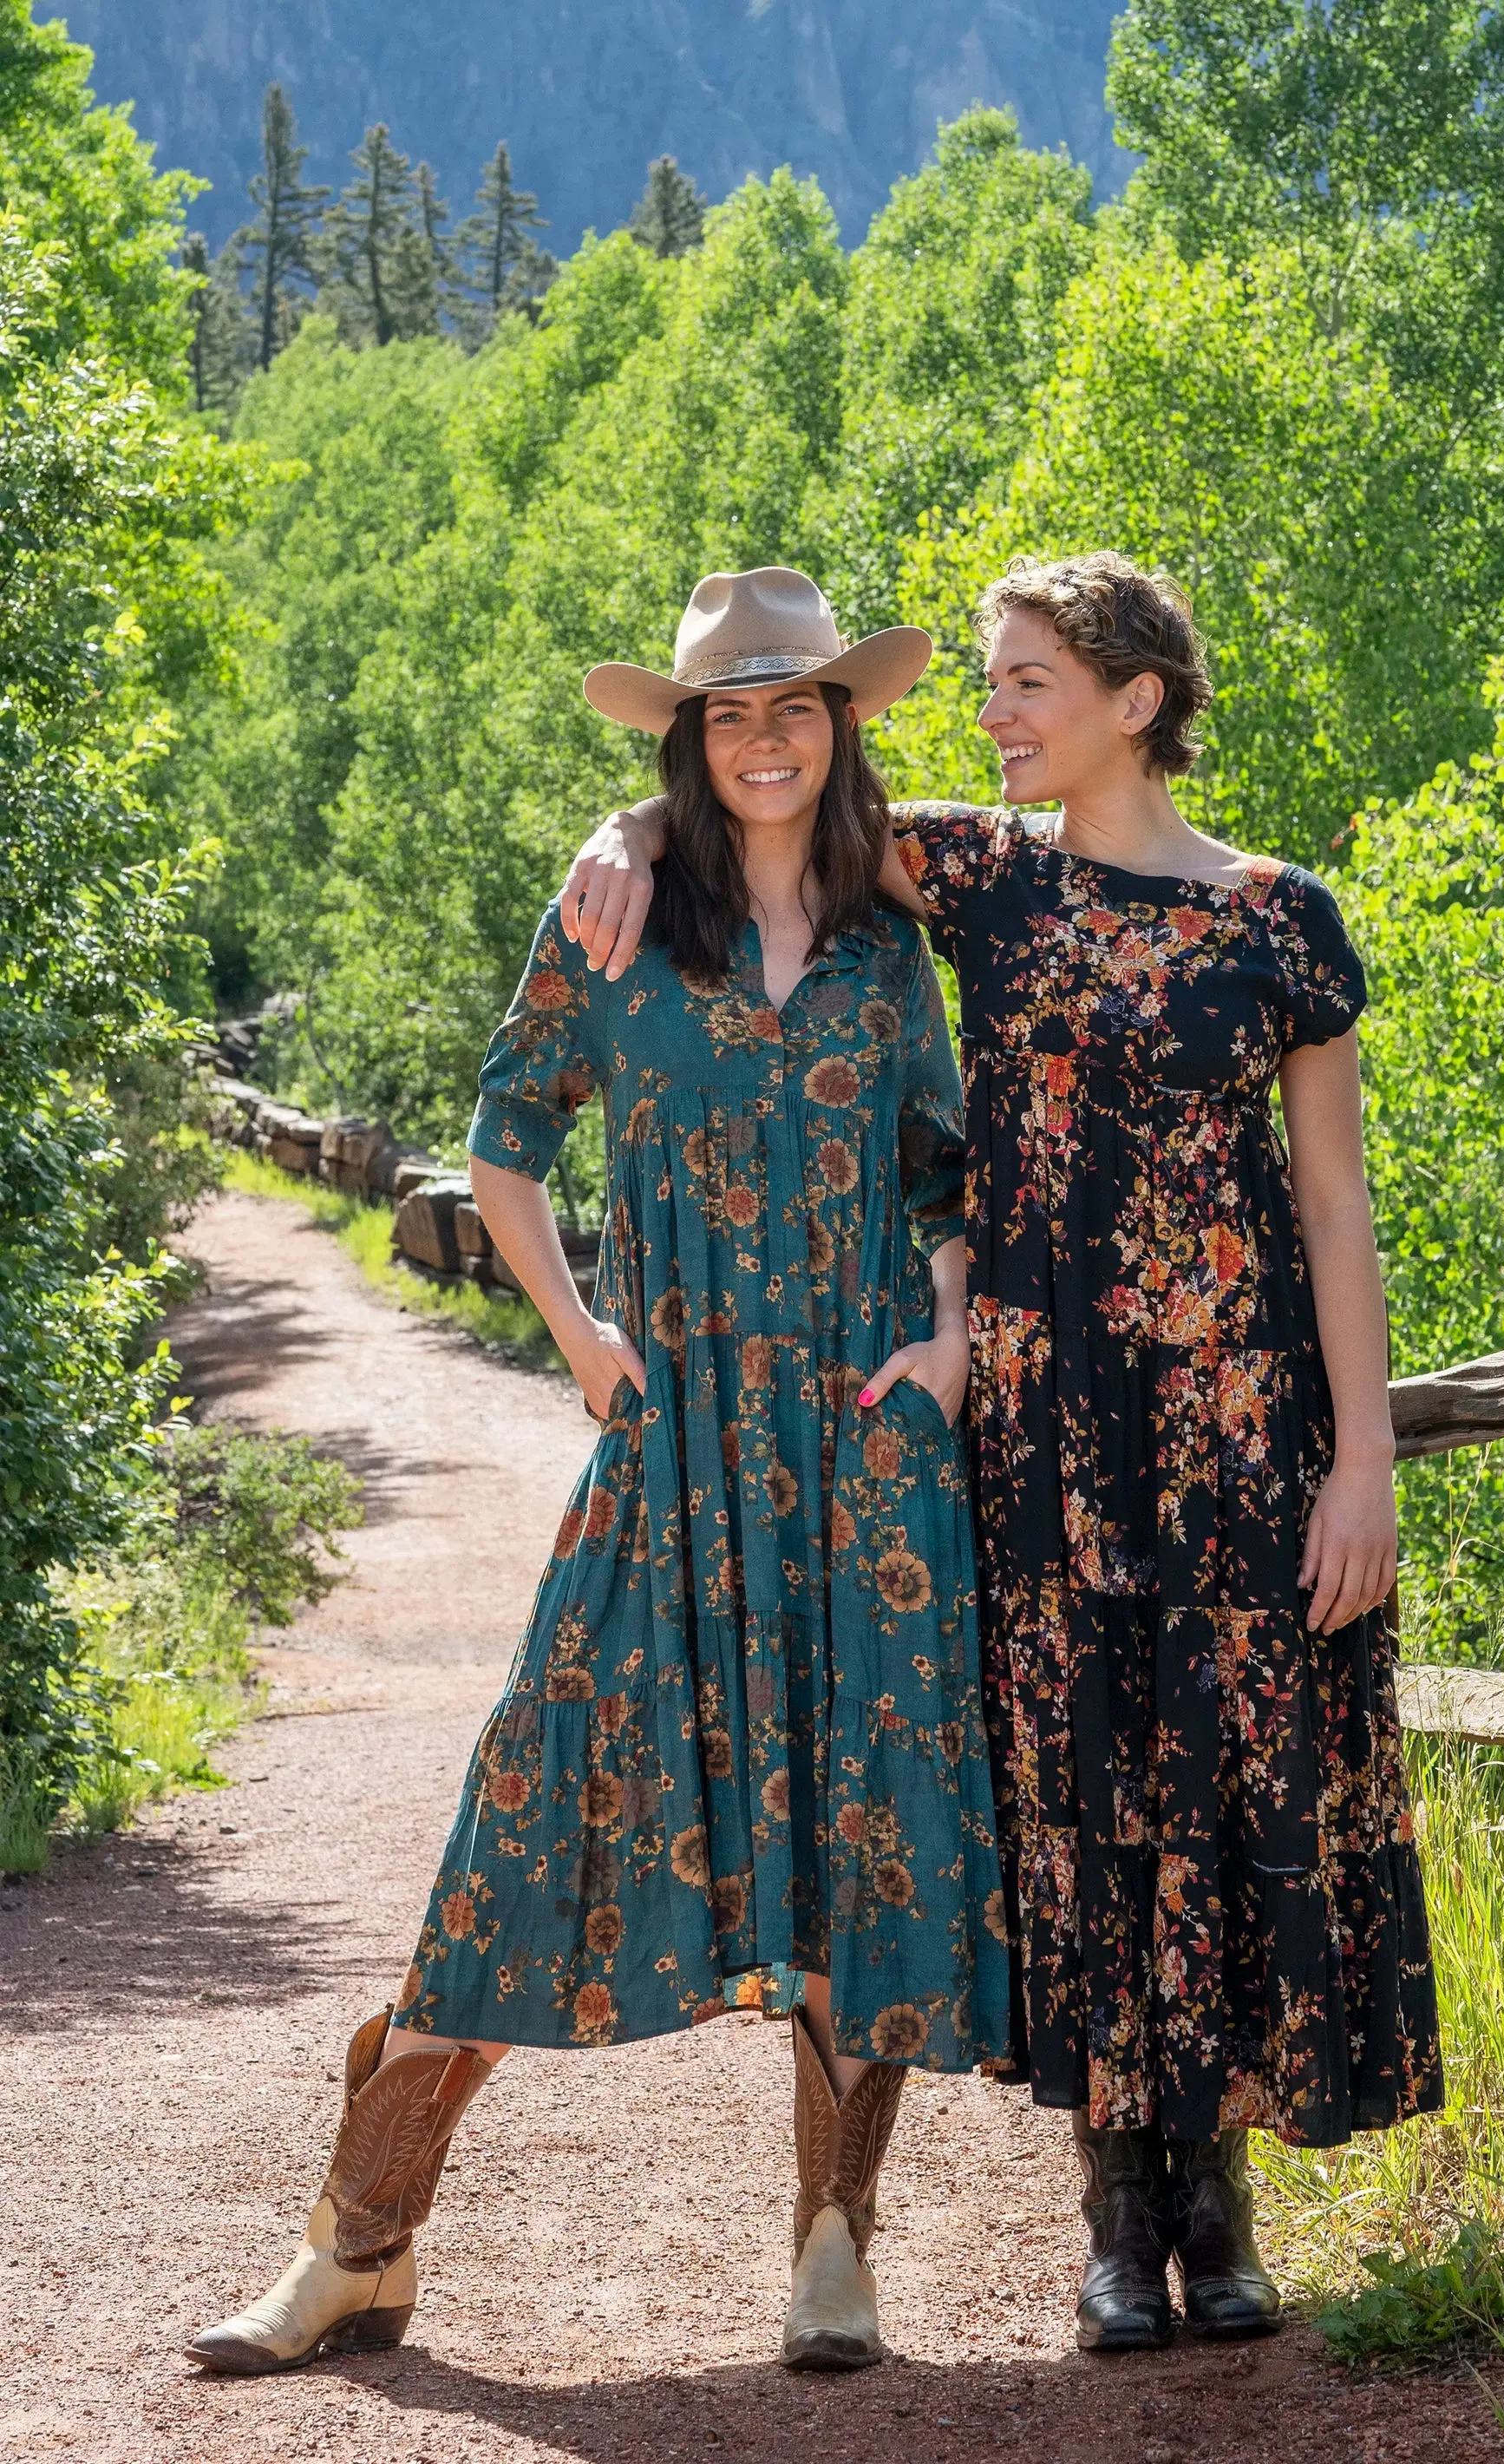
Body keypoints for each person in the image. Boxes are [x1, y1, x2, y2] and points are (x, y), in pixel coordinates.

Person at [557, 551, 1445, 2354]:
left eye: (1030, 679)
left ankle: (1222, 2198)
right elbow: (762, 794)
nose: (997, 712)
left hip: (1242, 1427)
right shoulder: (980, 875)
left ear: (1138, 699)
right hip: (1043, 1427)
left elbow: (1339, 1213)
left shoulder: (1286, 920)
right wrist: (624, 836)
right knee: (1090, 1790)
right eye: (988, 682)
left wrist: (1367, 1463)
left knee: (1232, 1774)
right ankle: (1118, 2218)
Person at [186, 567, 1011, 2381]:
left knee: (852, 1830)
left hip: (866, 1450)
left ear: (841, 727)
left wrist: (946, 1342)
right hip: (681, 1440)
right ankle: (353, 2244)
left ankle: (831, 2249)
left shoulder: (890, 946)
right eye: (732, 713)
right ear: (690, 741)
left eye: (799, 707)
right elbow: (505, 1138)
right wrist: (577, 1332)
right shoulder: (617, 920)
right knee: (530, 1810)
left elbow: (951, 1168)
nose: (770, 739)